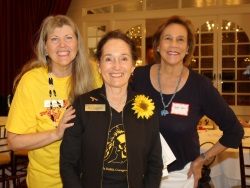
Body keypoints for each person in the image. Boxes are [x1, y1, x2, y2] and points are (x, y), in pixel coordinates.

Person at [131, 15, 244, 188]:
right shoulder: (138, 78)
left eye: (180, 40)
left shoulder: (200, 86)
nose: (174, 44)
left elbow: (234, 131)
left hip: (179, 178)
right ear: (158, 46)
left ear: (187, 48)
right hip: (140, 175)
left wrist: (201, 160)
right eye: (168, 38)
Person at [60, 30, 163, 188]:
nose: (116, 66)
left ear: (133, 65)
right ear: (99, 66)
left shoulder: (146, 107)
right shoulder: (82, 105)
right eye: (109, 59)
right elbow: (68, 164)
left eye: (123, 58)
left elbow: (155, 165)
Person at [6, 15, 97, 188]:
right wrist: (56, 133)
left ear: (77, 44)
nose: (62, 45)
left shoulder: (94, 73)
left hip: (89, 179)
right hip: (46, 182)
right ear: (45, 48)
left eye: (68, 38)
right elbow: (14, 141)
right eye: (54, 39)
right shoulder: (31, 81)